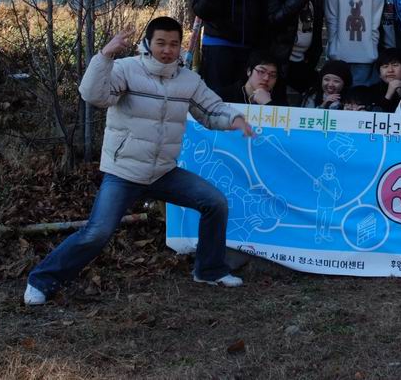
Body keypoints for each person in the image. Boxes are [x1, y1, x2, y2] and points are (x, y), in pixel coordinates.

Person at [24, 17, 252, 306]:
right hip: (124, 171)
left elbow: (211, 109)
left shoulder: (188, 80)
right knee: (97, 232)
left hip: (163, 172)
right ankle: (41, 280)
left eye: (173, 44)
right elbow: (93, 95)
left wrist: (234, 119)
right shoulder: (126, 69)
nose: (167, 50)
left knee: (214, 202)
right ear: (148, 43)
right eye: (160, 43)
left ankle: (210, 270)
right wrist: (105, 55)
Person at [262, 0, 324, 105]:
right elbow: (273, 20)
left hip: (303, 59)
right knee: (277, 105)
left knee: (319, 92)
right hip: (278, 59)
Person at [325, 0, 384, 86]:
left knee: (357, 95)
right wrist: (333, 48)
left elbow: (375, 24)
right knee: (336, 94)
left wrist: (371, 49)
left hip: (364, 58)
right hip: (338, 56)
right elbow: (331, 19)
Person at [374, 48, 401, 112]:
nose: (390, 70)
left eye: (395, 65)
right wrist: (388, 95)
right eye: (385, 66)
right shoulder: (372, 92)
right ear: (379, 74)